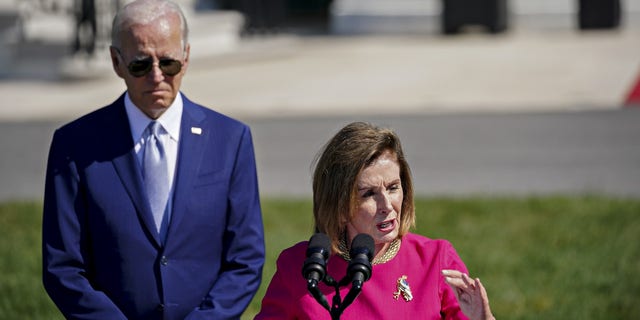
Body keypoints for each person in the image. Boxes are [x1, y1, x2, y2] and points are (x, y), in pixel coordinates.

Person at [42, 1, 265, 319]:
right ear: (117, 62)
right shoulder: (75, 145)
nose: (157, 76)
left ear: (186, 57)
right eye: (140, 65)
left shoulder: (230, 139)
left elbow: (245, 259)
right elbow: (62, 266)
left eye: (169, 63)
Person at [255, 122, 495, 319]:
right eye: (369, 194)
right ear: (338, 206)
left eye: (393, 188)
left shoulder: (436, 260)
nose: (387, 205)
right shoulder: (300, 267)